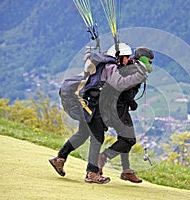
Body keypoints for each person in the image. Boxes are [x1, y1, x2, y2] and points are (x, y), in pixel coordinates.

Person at [49, 43, 148, 184]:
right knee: (97, 138)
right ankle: (92, 174)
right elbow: (120, 84)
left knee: (82, 134)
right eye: (125, 57)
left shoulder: (102, 62)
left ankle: (59, 159)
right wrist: (139, 75)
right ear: (119, 57)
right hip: (93, 106)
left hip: (86, 103)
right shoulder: (110, 66)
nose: (127, 60)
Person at [98, 46, 154, 183]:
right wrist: (133, 103)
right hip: (118, 108)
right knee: (129, 140)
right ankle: (103, 157)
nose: (151, 64)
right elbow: (125, 89)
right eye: (150, 61)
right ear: (144, 59)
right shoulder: (136, 70)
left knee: (124, 138)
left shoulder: (130, 66)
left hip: (115, 106)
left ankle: (126, 170)